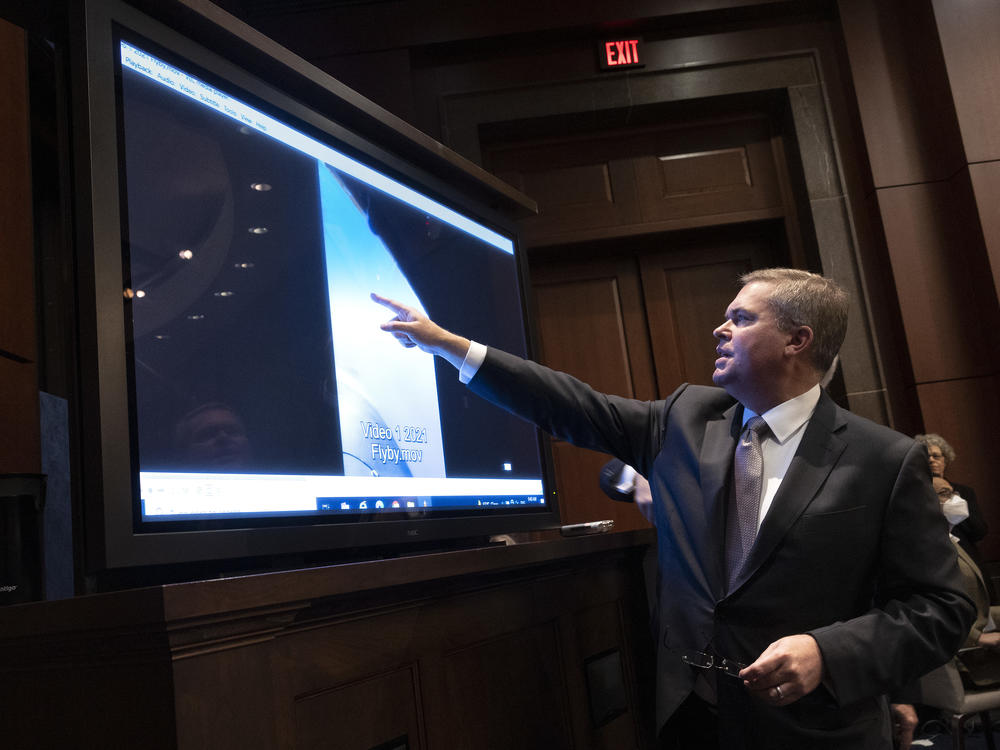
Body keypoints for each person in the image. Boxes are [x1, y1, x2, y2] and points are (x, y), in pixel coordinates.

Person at [373, 268, 973, 749]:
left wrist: (829, 652)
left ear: (797, 340)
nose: (720, 329)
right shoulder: (686, 418)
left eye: (741, 318)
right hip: (689, 716)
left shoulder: (884, 458)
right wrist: (449, 346)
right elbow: (571, 404)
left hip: (813, 727)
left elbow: (942, 607)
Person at [915, 433, 988, 564]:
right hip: (932, 562)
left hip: (967, 559)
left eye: (936, 456)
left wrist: (952, 502)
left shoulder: (964, 492)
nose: (931, 460)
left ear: (945, 460)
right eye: (926, 456)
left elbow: (979, 532)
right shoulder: (914, 493)